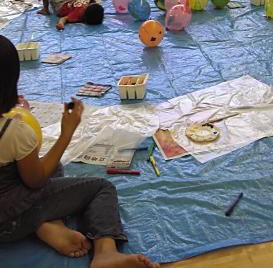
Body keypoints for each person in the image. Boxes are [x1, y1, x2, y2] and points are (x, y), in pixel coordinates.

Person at [0, 35, 159, 268]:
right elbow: (35, 181)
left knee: (53, 165)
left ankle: (49, 226)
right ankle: (105, 252)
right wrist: (67, 132)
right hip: (10, 219)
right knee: (101, 188)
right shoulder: (13, 130)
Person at [37, 0, 104, 31]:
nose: (88, 5)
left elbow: (64, 19)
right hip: (70, 0)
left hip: (60, 5)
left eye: (90, 5)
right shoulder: (88, 10)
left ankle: (45, 10)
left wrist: (60, 24)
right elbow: (90, 5)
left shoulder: (77, 14)